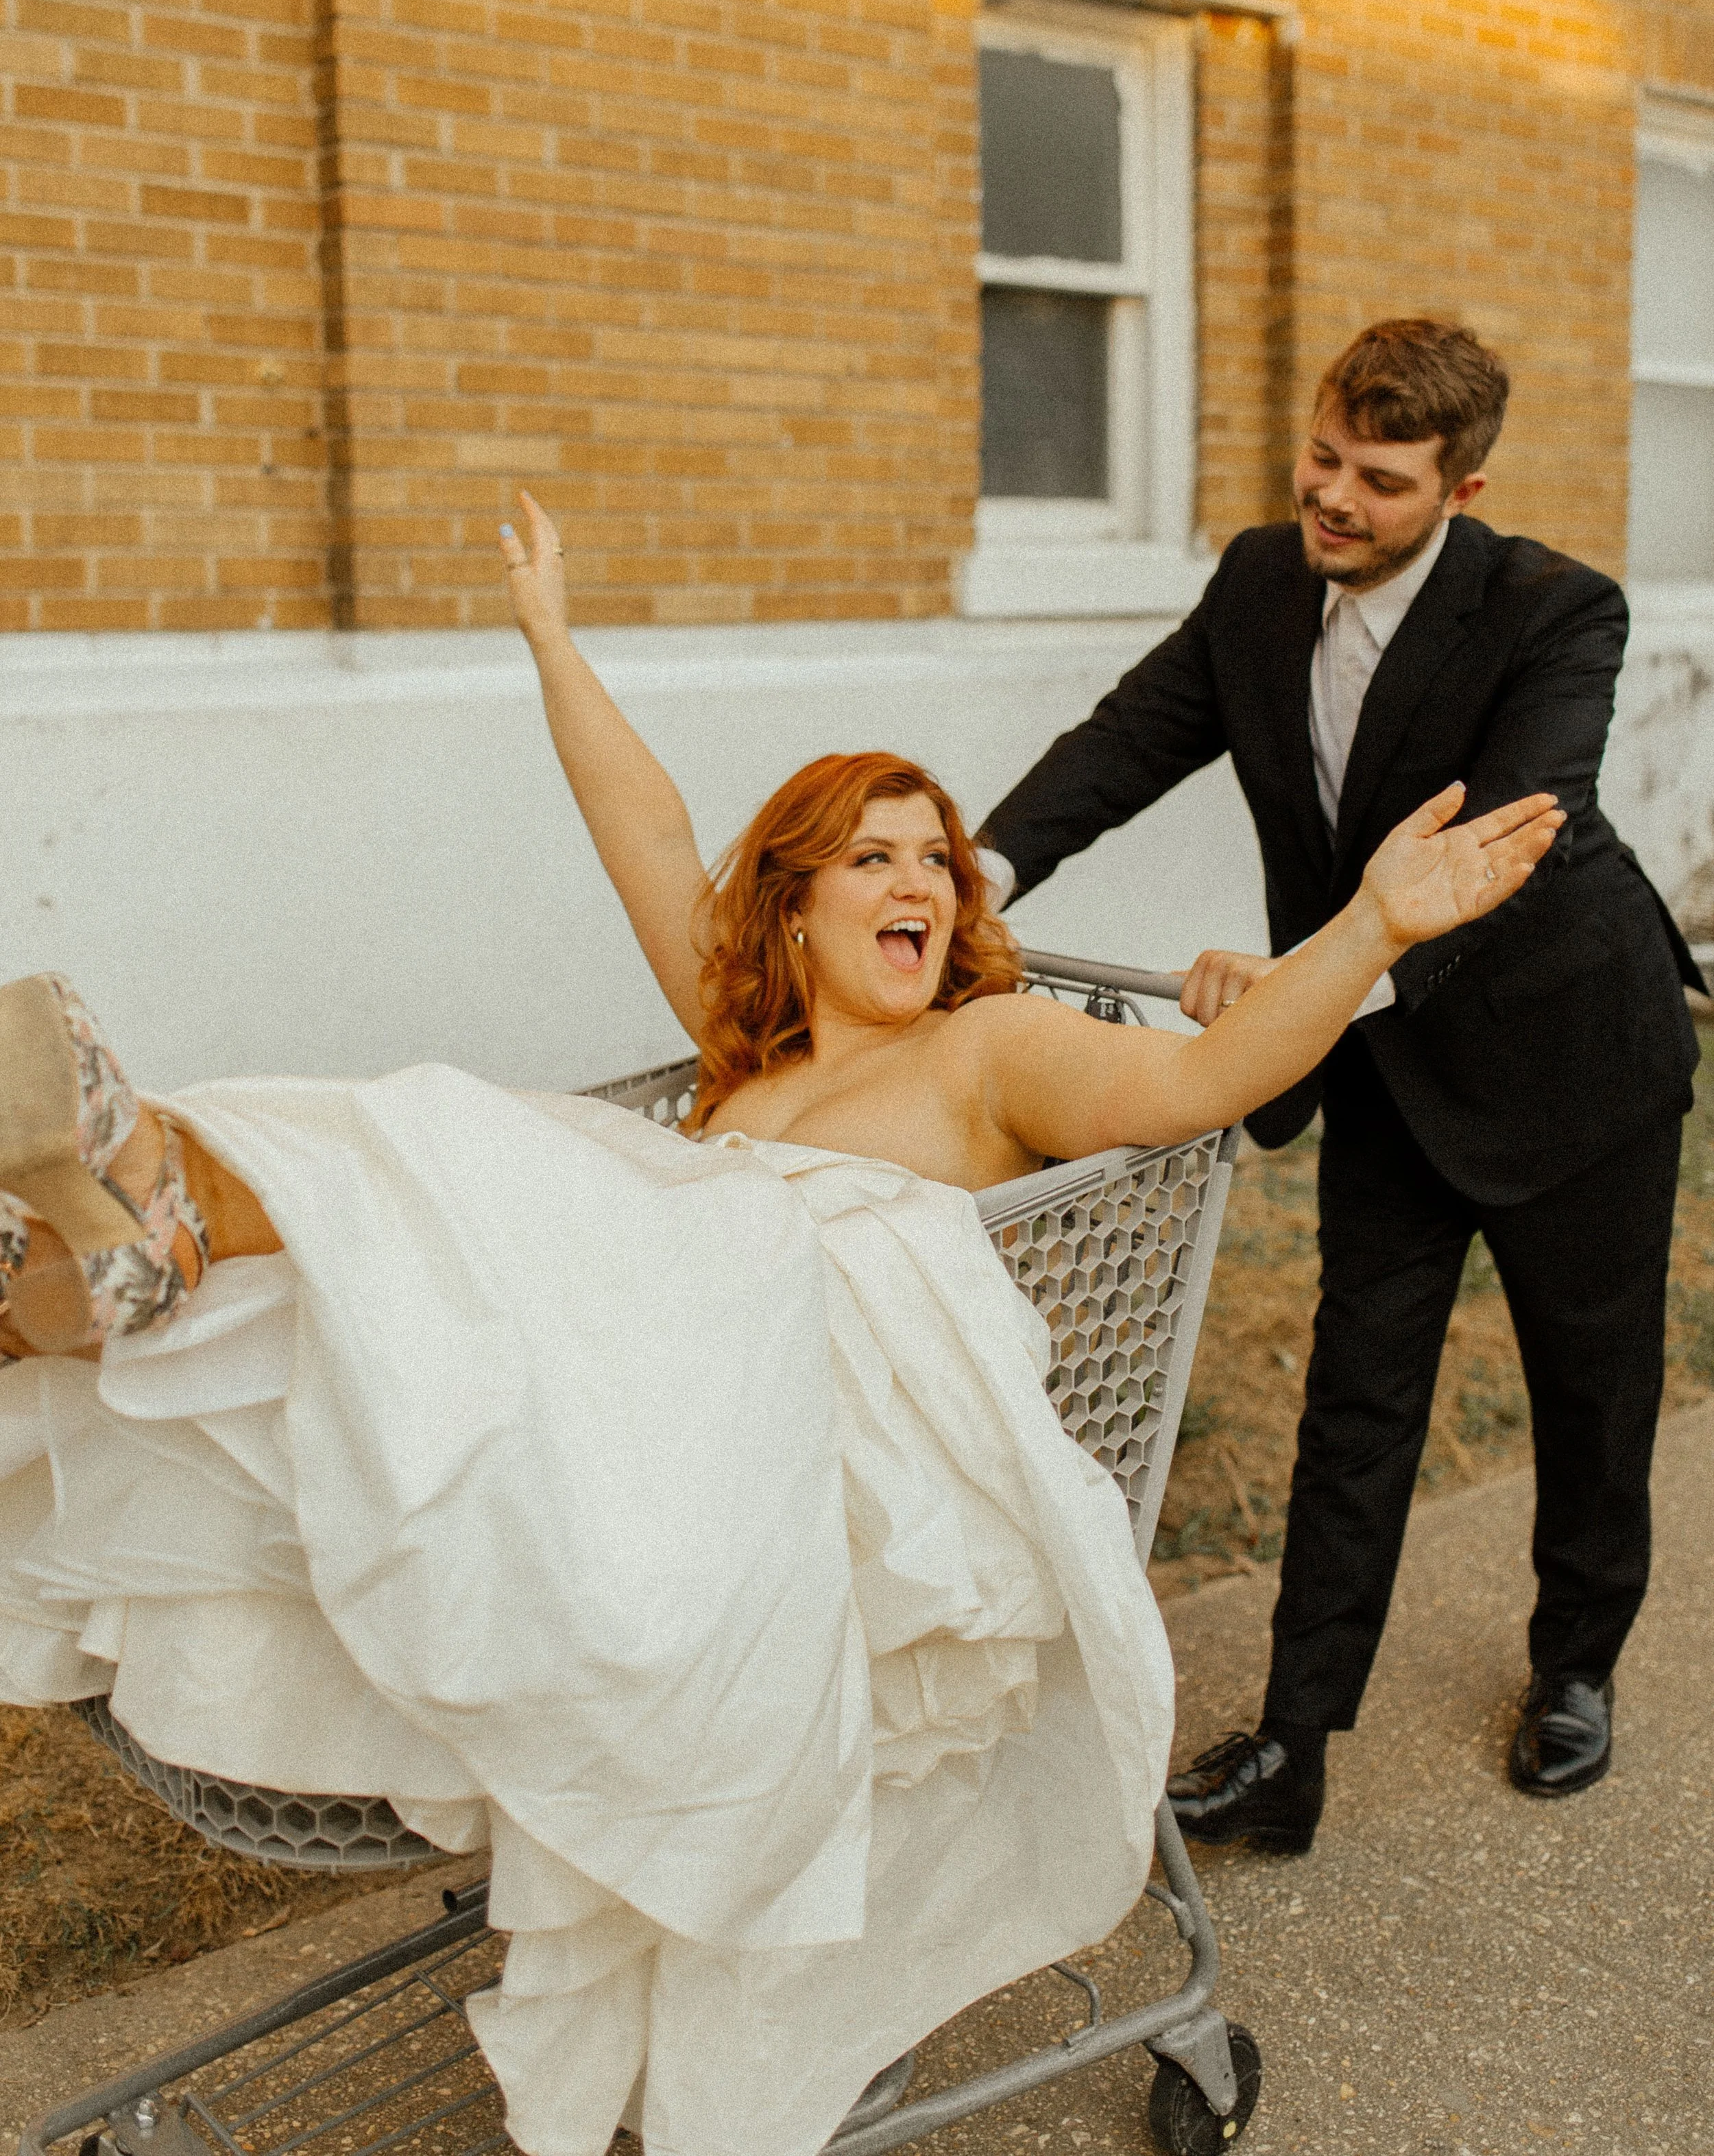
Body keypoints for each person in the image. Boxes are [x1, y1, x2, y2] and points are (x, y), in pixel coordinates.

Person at [0, 493, 1556, 2155]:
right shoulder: (746, 1058)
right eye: (869, 859)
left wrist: (1371, 925)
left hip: (757, 1403)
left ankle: (154, 1184)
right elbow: (646, 828)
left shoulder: (991, 1046)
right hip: (635, 1359)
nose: (919, 884)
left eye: (936, 863)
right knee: (445, 1211)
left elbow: (1198, 1079)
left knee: (472, 1153)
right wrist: (545, 634)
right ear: (795, 911)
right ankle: (84, 1272)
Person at [976, 318, 1704, 1854]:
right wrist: (975, 874)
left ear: (1461, 484)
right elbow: (1131, 736)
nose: (1330, 499)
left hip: (1572, 1051)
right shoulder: (1255, 579)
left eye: (1376, 480)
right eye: (1320, 457)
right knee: (1354, 1397)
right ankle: (1291, 1747)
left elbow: (1504, 837)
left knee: (1591, 1391)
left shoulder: (1554, 611)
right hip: (1381, 1061)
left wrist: (1313, 980)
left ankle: (1574, 1664)